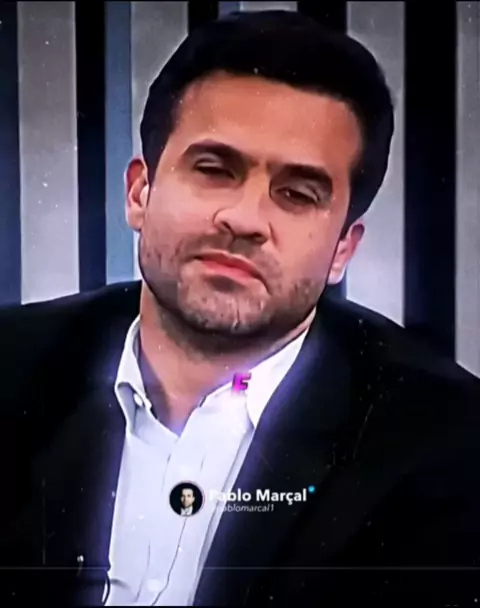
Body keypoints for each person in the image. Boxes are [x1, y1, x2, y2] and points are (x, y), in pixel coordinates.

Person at [0, 9, 479, 607]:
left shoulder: (448, 447)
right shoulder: (12, 366)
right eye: (214, 170)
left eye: (297, 194)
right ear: (140, 192)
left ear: (343, 249)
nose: (245, 220)